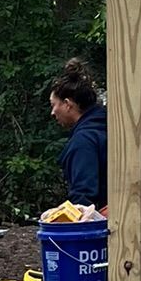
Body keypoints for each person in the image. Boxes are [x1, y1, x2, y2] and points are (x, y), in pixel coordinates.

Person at [48, 59, 108, 208]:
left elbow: (83, 198)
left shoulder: (84, 141)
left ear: (67, 105)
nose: (52, 112)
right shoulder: (110, 129)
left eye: (53, 105)